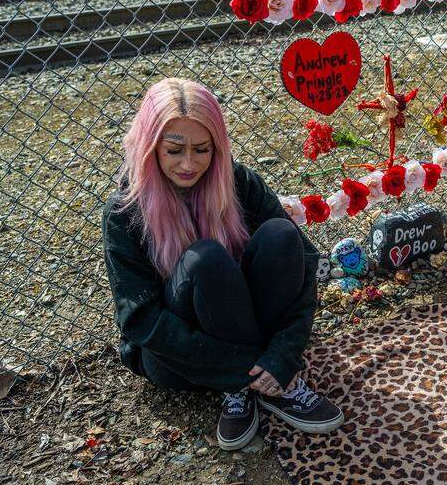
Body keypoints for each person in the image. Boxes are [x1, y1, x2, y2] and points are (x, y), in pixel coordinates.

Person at [102, 77, 343, 450]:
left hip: (248, 328)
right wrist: (249, 368)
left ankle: (265, 381)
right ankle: (247, 387)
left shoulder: (237, 181)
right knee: (206, 259)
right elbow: (139, 319)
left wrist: (285, 353)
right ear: (150, 146)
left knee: (282, 234)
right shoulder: (125, 210)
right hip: (181, 358)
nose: (189, 163)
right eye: (174, 150)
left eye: (202, 149)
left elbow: (305, 263)